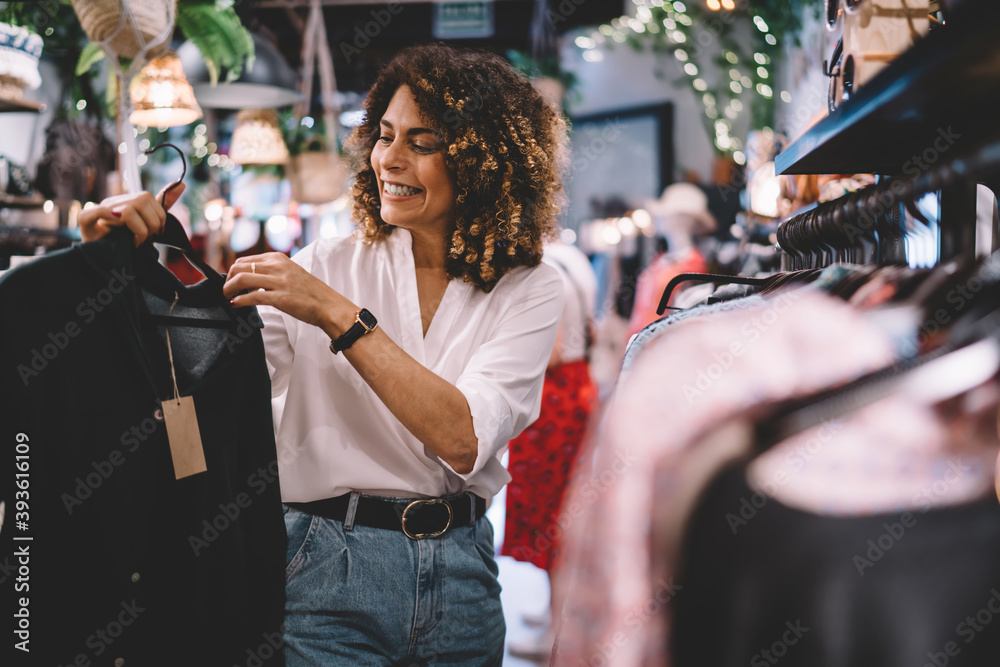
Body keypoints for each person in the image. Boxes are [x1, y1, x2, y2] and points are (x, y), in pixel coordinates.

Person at [78, 43, 568, 666]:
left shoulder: (528, 285)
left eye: (423, 142)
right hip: (327, 565)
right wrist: (118, 270)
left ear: (483, 162)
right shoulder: (326, 264)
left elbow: (463, 436)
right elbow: (201, 388)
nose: (388, 158)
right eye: (385, 135)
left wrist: (338, 314)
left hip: (463, 578)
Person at [502, 239, 599, 660]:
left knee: (553, 516)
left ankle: (557, 628)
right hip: (573, 392)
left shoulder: (546, 272)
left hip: (553, 402)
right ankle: (553, 613)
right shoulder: (572, 259)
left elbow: (552, 351)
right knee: (561, 510)